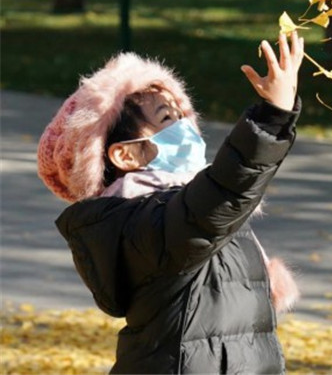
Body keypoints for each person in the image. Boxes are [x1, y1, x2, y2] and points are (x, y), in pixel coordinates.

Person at [37, 32, 304, 374]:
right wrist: (273, 117)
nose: (186, 127)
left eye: (182, 114)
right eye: (167, 119)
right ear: (126, 154)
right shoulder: (145, 225)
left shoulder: (178, 206)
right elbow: (225, 192)